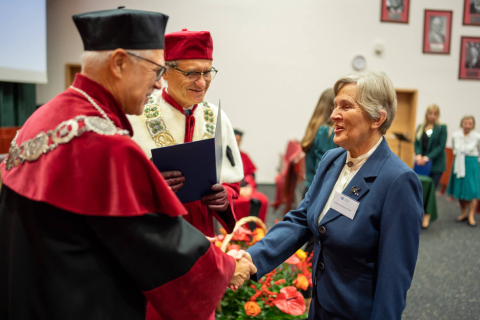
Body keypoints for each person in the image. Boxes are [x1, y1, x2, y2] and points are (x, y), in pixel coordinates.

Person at [0, 8, 256, 320]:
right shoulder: (103, 142)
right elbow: (151, 238)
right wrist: (228, 266)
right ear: (119, 63)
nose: (157, 83)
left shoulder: (45, 116)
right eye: (155, 70)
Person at [244, 71, 423, 320]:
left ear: (377, 119)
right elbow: (301, 219)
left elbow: (394, 279)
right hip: (319, 306)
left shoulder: (398, 181)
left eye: (346, 106)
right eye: (334, 105)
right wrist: (251, 258)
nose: (333, 115)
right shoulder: (332, 159)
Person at [127, 29, 243, 239]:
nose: (202, 83)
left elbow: (232, 180)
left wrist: (224, 195)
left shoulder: (217, 116)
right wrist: (150, 186)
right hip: (155, 234)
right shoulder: (137, 115)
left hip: (203, 233)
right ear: (165, 72)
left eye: (207, 72)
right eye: (191, 73)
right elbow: (118, 183)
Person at [414, 104, 447, 228]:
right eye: (430, 113)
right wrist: (418, 154)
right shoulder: (421, 127)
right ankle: (419, 212)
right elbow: (417, 143)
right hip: (421, 164)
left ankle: (427, 215)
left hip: (435, 165)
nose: (432, 116)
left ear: (438, 115)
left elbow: (440, 146)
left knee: (431, 190)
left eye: (435, 114)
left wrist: (428, 157)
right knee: (420, 188)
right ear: (426, 114)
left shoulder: (441, 128)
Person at [301, 88, 337, 192]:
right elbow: (324, 167)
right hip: (318, 189)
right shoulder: (326, 132)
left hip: (311, 186)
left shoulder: (316, 127)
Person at [448, 115, 480, 227]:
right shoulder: (456, 134)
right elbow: (454, 149)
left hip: (472, 163)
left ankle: (471, 215)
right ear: (462, 123)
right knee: (460, 189)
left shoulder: (477, 136)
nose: (467, 125)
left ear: (473, 125)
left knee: (472, 190)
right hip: (458, 162)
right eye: (465, 123)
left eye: (469, 123)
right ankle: (463, 213)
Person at [232, 129, 269, 223]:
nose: (237, 142)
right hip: (232, 190)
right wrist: (237, 190)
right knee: (240, 203)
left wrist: (249, 187)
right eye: (234, 139)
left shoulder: (244, 156)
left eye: (238, 140)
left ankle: (256, 229)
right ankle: (239, 231)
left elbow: (250, 175)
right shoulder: (222, 155)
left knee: (262, 200)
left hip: (245, 188)